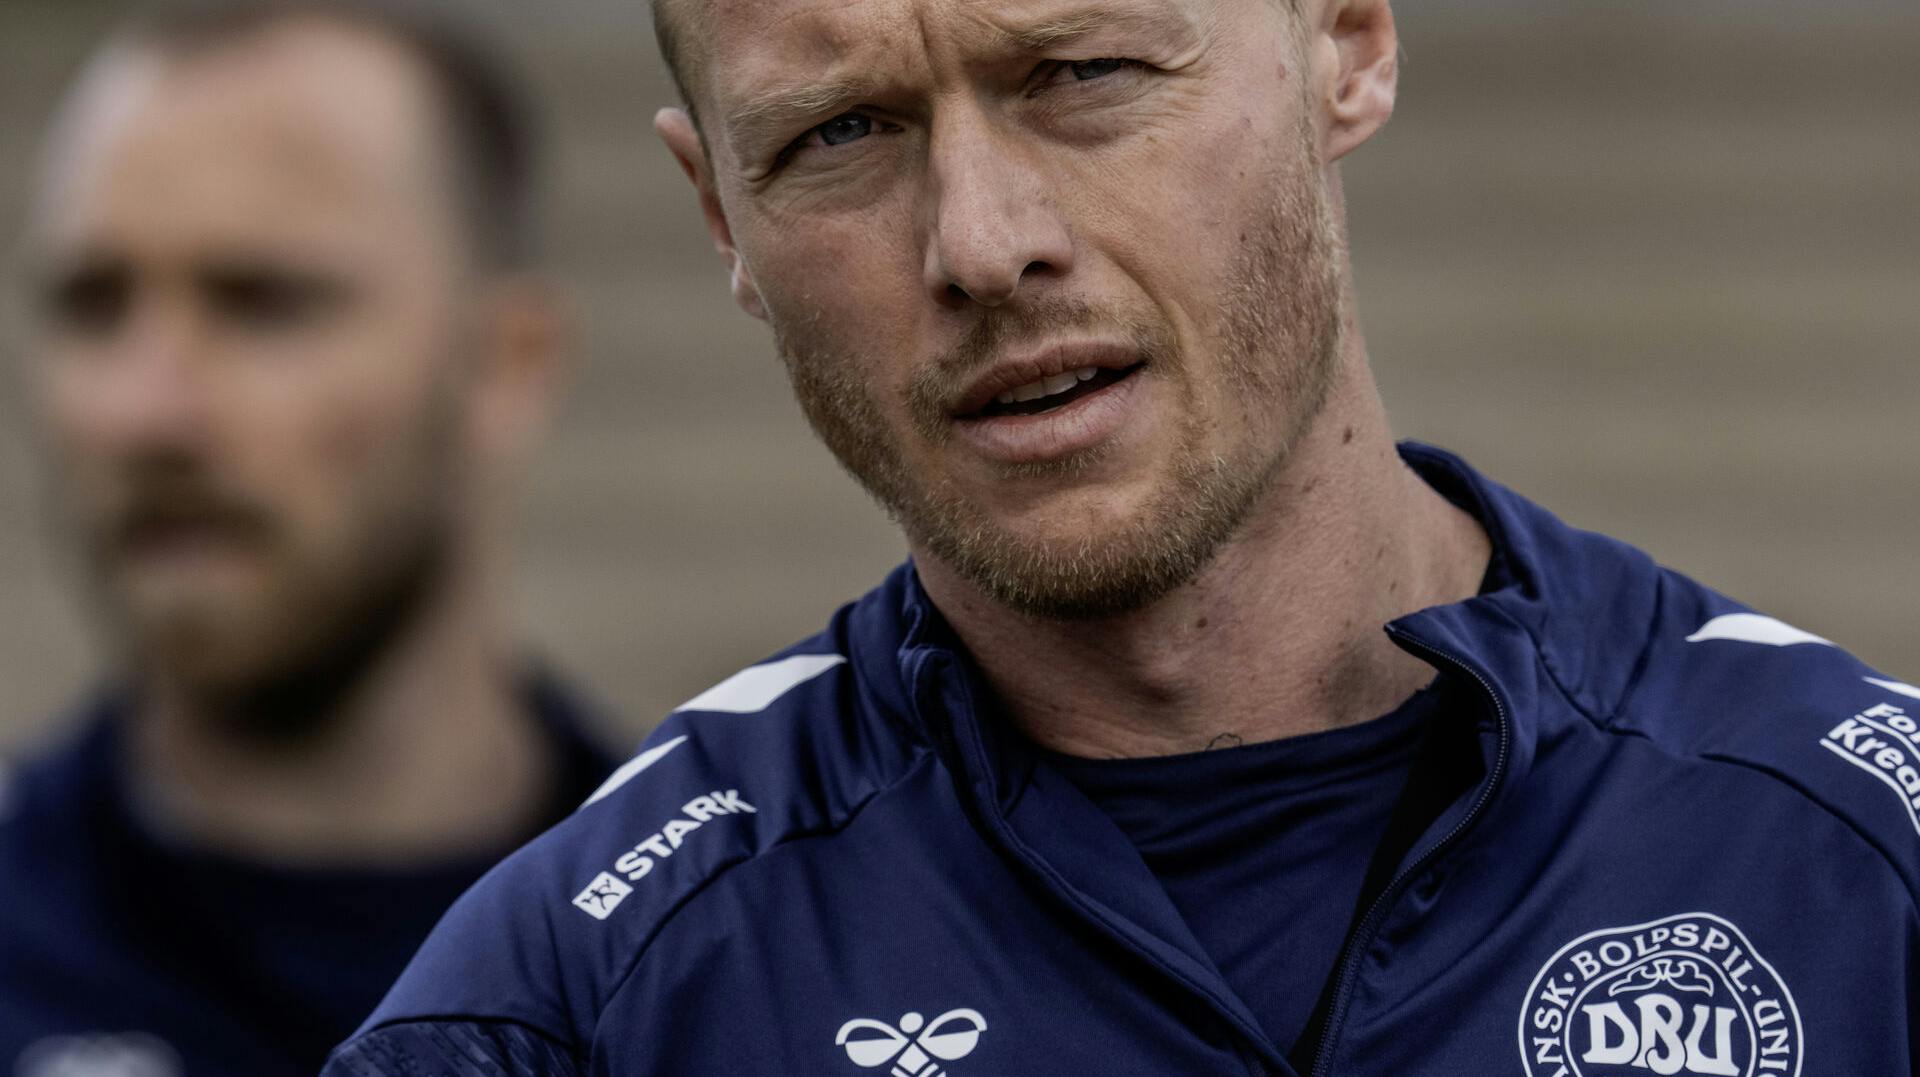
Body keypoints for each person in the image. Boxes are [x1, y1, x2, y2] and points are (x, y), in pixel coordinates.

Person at [329, 0, 1918, 1073]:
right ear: (718, 218)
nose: (982, 244)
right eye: (842, 135)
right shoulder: (571, 1005)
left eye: (1082, 73)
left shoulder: (1862, 863)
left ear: (1345, 40)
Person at [0, 5, 619, 1075]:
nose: (149, 413)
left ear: (504, 364)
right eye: (94, 305)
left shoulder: (711, 953)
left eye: (262, 303)